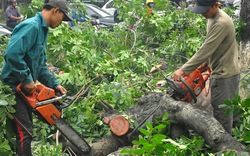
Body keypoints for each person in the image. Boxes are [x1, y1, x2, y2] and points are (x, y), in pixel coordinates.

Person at [1, 0, 73, 155]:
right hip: (13, 89)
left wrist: (54, 84)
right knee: (24, 133)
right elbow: (12, 54)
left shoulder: (42, 30)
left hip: (23, 92)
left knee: (26, 132)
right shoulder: (31, 26)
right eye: (62, 17)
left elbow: (39, 66)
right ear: (55, 11)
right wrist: (27, 79)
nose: (62, 22)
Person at [171, 0, 240, 135]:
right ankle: (236, 137)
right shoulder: (212, 18)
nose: (202, 13)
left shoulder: (221, 23)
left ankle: (226, 148)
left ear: (215, 5)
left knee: (222, 115)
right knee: (232, 110)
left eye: (205, 10)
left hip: (224, 73)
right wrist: (204, 64)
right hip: (224, 68)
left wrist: (183, 70)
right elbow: (214, 46)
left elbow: (206, 49)